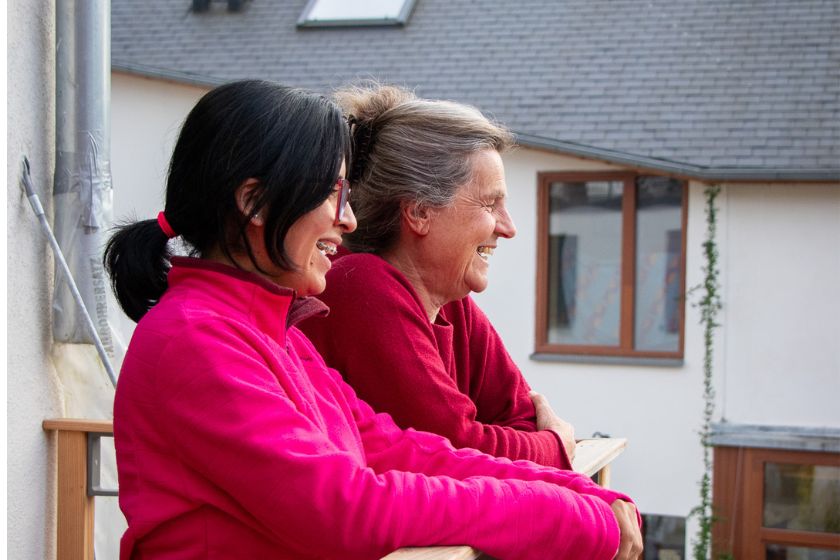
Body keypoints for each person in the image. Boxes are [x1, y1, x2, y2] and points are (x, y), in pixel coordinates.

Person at [105, 79, 642, 560]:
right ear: (256, 204)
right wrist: (567, 516)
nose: (349, 217)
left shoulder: (274, 332)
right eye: (332, 193)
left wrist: (581, 494)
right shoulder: (196, 339)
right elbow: (347, 509)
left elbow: (396, 447)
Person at [301, 84, 576, 469]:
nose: (508, 227)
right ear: (419, 212)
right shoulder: (359, 285)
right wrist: (555, 445)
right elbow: (457, 449)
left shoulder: (451, 301)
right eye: (489, 203)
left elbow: (521, 414)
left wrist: (528, 441)